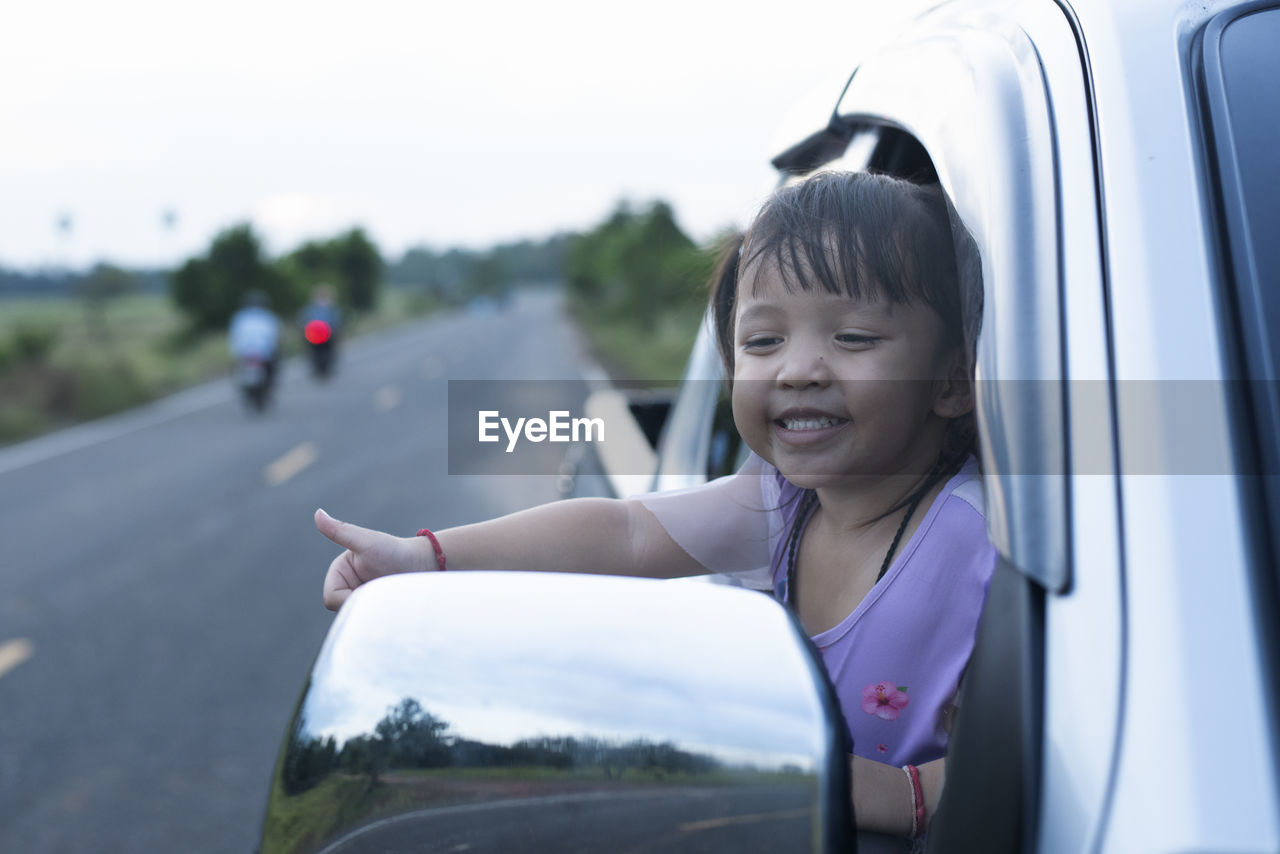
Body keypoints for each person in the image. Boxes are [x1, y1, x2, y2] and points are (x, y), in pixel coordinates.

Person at [314, 171, 995, 841]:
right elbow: (629, 530)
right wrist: (426, 557)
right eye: (763, 341)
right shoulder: (783, 503)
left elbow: (1040, 758)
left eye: (853, 338)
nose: (797, 369)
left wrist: (902, 792)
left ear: (951, 381)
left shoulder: (979, 545)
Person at [228, 289, 281, 383]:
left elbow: (234, 336)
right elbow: (274, 335)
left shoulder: (239, 317)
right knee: (274, 366)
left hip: (244, 352)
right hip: (263, 352)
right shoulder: (267, 316)